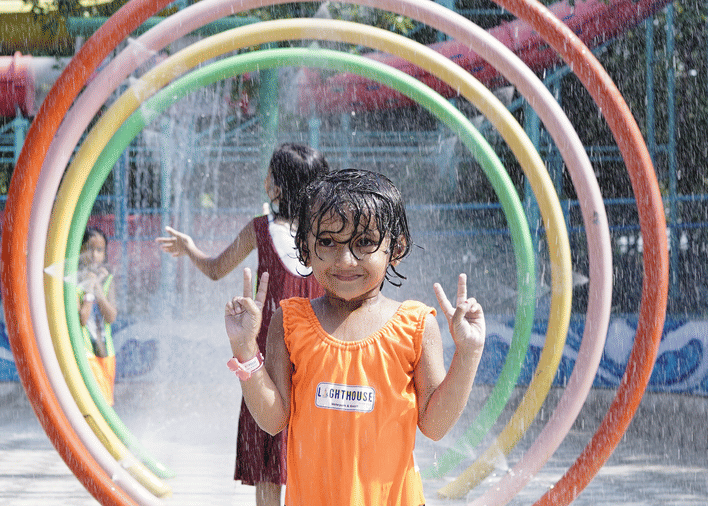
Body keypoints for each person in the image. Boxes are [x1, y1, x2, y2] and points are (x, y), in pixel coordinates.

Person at [224, 168, 486, 505]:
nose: (345, 260)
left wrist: (469, 352)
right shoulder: (290, 321)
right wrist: (245, 349)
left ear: (397, 247)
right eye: (328, 242)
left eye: (364, 242)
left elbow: (435, 425)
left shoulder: (415, 325)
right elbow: (274, 420)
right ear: (305, 247)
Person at [156, 143, 330, 506]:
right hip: (317, 362)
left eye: (269, 174)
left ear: (276, 188)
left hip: (266, 365)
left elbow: (217, 268)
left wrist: (191, 249)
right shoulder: (326, 237)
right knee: (315, 454)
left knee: (269, 462)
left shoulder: (261, 230)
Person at [77, 226, 119, 406]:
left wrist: (98, 288)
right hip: (85, 354)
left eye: (99, 250)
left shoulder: (108, 280)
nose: (94, 255)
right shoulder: (74, 283)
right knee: (91, 404)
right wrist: (89, 290)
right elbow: (82, 318)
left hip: (106, 352)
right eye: (89, 249)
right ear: (79, 251)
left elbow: (111, 316)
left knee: (106, 404)